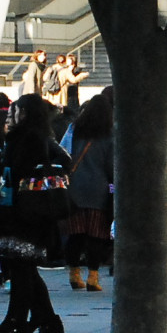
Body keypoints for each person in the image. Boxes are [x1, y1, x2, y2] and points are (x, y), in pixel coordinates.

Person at [0, 93, 70, 333]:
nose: (8, 117)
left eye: (13, 112)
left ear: (25, 114)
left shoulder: (30, 139)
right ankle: (45, 319)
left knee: (22, 268)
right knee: (24, 268)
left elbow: (19, 173)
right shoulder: (30, 137)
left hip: (27, 214)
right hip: (21, 213)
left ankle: (18, 322)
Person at [63, 90, 113, 292]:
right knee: (96, 234)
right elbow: (112, 166)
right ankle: (93, 276)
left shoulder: (74, 129)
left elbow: (63, 152)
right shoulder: (110, 134)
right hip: (98, 190)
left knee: (75, 234)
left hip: (74, 188)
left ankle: (74, 273)